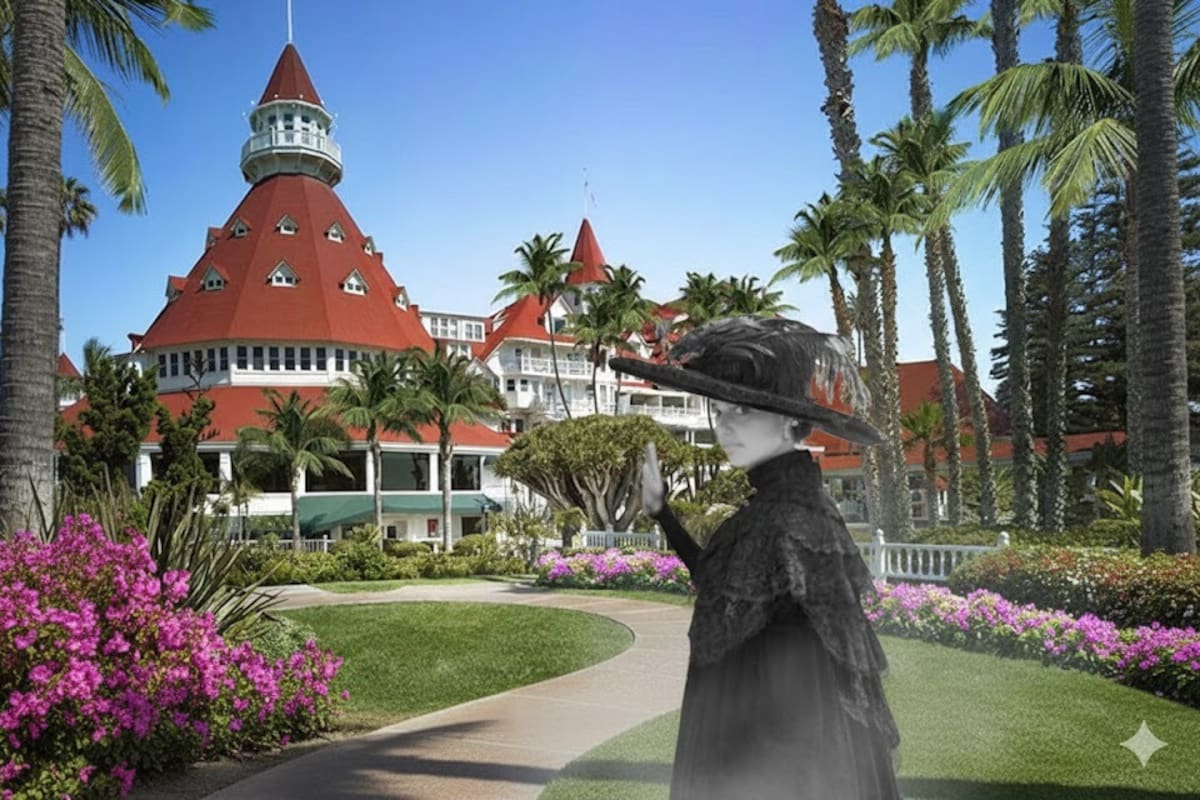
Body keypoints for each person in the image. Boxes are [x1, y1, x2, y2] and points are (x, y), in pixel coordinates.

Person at [609, 315, 902, 800]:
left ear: (789, 421)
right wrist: (663, 514)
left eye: (742, 411)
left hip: (779, 743)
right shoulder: (780, 508)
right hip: (760, 730)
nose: (725, 426)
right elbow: (724, 580)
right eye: (720, 411)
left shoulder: (787, 513)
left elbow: (807, 664)